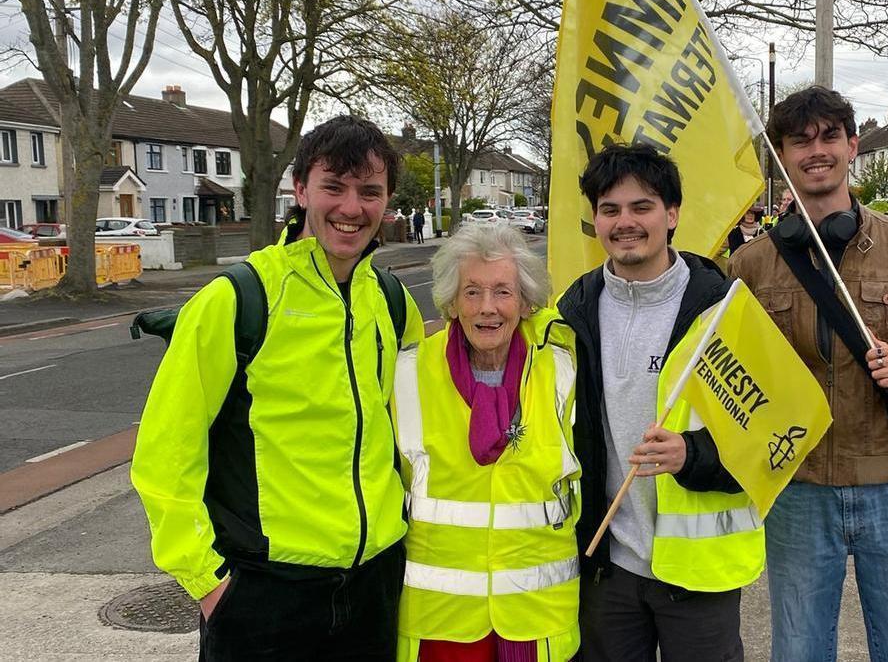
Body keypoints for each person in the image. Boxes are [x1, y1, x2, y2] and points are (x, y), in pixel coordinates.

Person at [132, 115, 425, 661]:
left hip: (374, 583)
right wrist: (210, 583)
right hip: (264, 593)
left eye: (370, 191)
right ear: (300, 190)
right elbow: (166, 452)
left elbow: (408, 430)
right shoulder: (237, 297)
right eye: (333, 186)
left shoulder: (391, 300)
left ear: (387, 201)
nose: (351, 207)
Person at [728, 86, 888, 661]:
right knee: (798, 652)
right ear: (781, 155)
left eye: (828, 137)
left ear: (853, 146)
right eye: (799, 141)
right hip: (797, 490)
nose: (815, 151)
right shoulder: (749, 265)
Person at [557, 144, 764, 661]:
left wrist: (692, 456)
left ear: (671, 215)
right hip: (608, 566)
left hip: (697, 574)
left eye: (641, 207)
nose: (625, 222)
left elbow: (769, 439)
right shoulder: (571, 311)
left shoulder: (724, 309)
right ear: (596, 221)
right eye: (610, 209)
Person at [393, 223, 580, 662]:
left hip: (539, 615)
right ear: (452, 303)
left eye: (502, 292)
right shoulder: (408, 371)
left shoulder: (561, 367)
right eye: (472, 292)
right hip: (441, 620)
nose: (487, 308)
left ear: (526, 301)